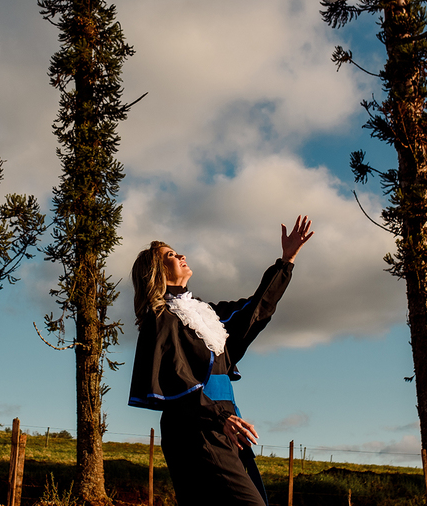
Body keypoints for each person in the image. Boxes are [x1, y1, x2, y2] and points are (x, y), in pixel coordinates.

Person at [128, 216, 314, 506]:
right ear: (157, 272)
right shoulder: (161, 319)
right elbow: (175, 380)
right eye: (171, 256)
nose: (181, 256)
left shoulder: (207, 314)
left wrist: (286, 261)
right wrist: (218, 416)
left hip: (227, 421)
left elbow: (255, 311)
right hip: (194, 426)